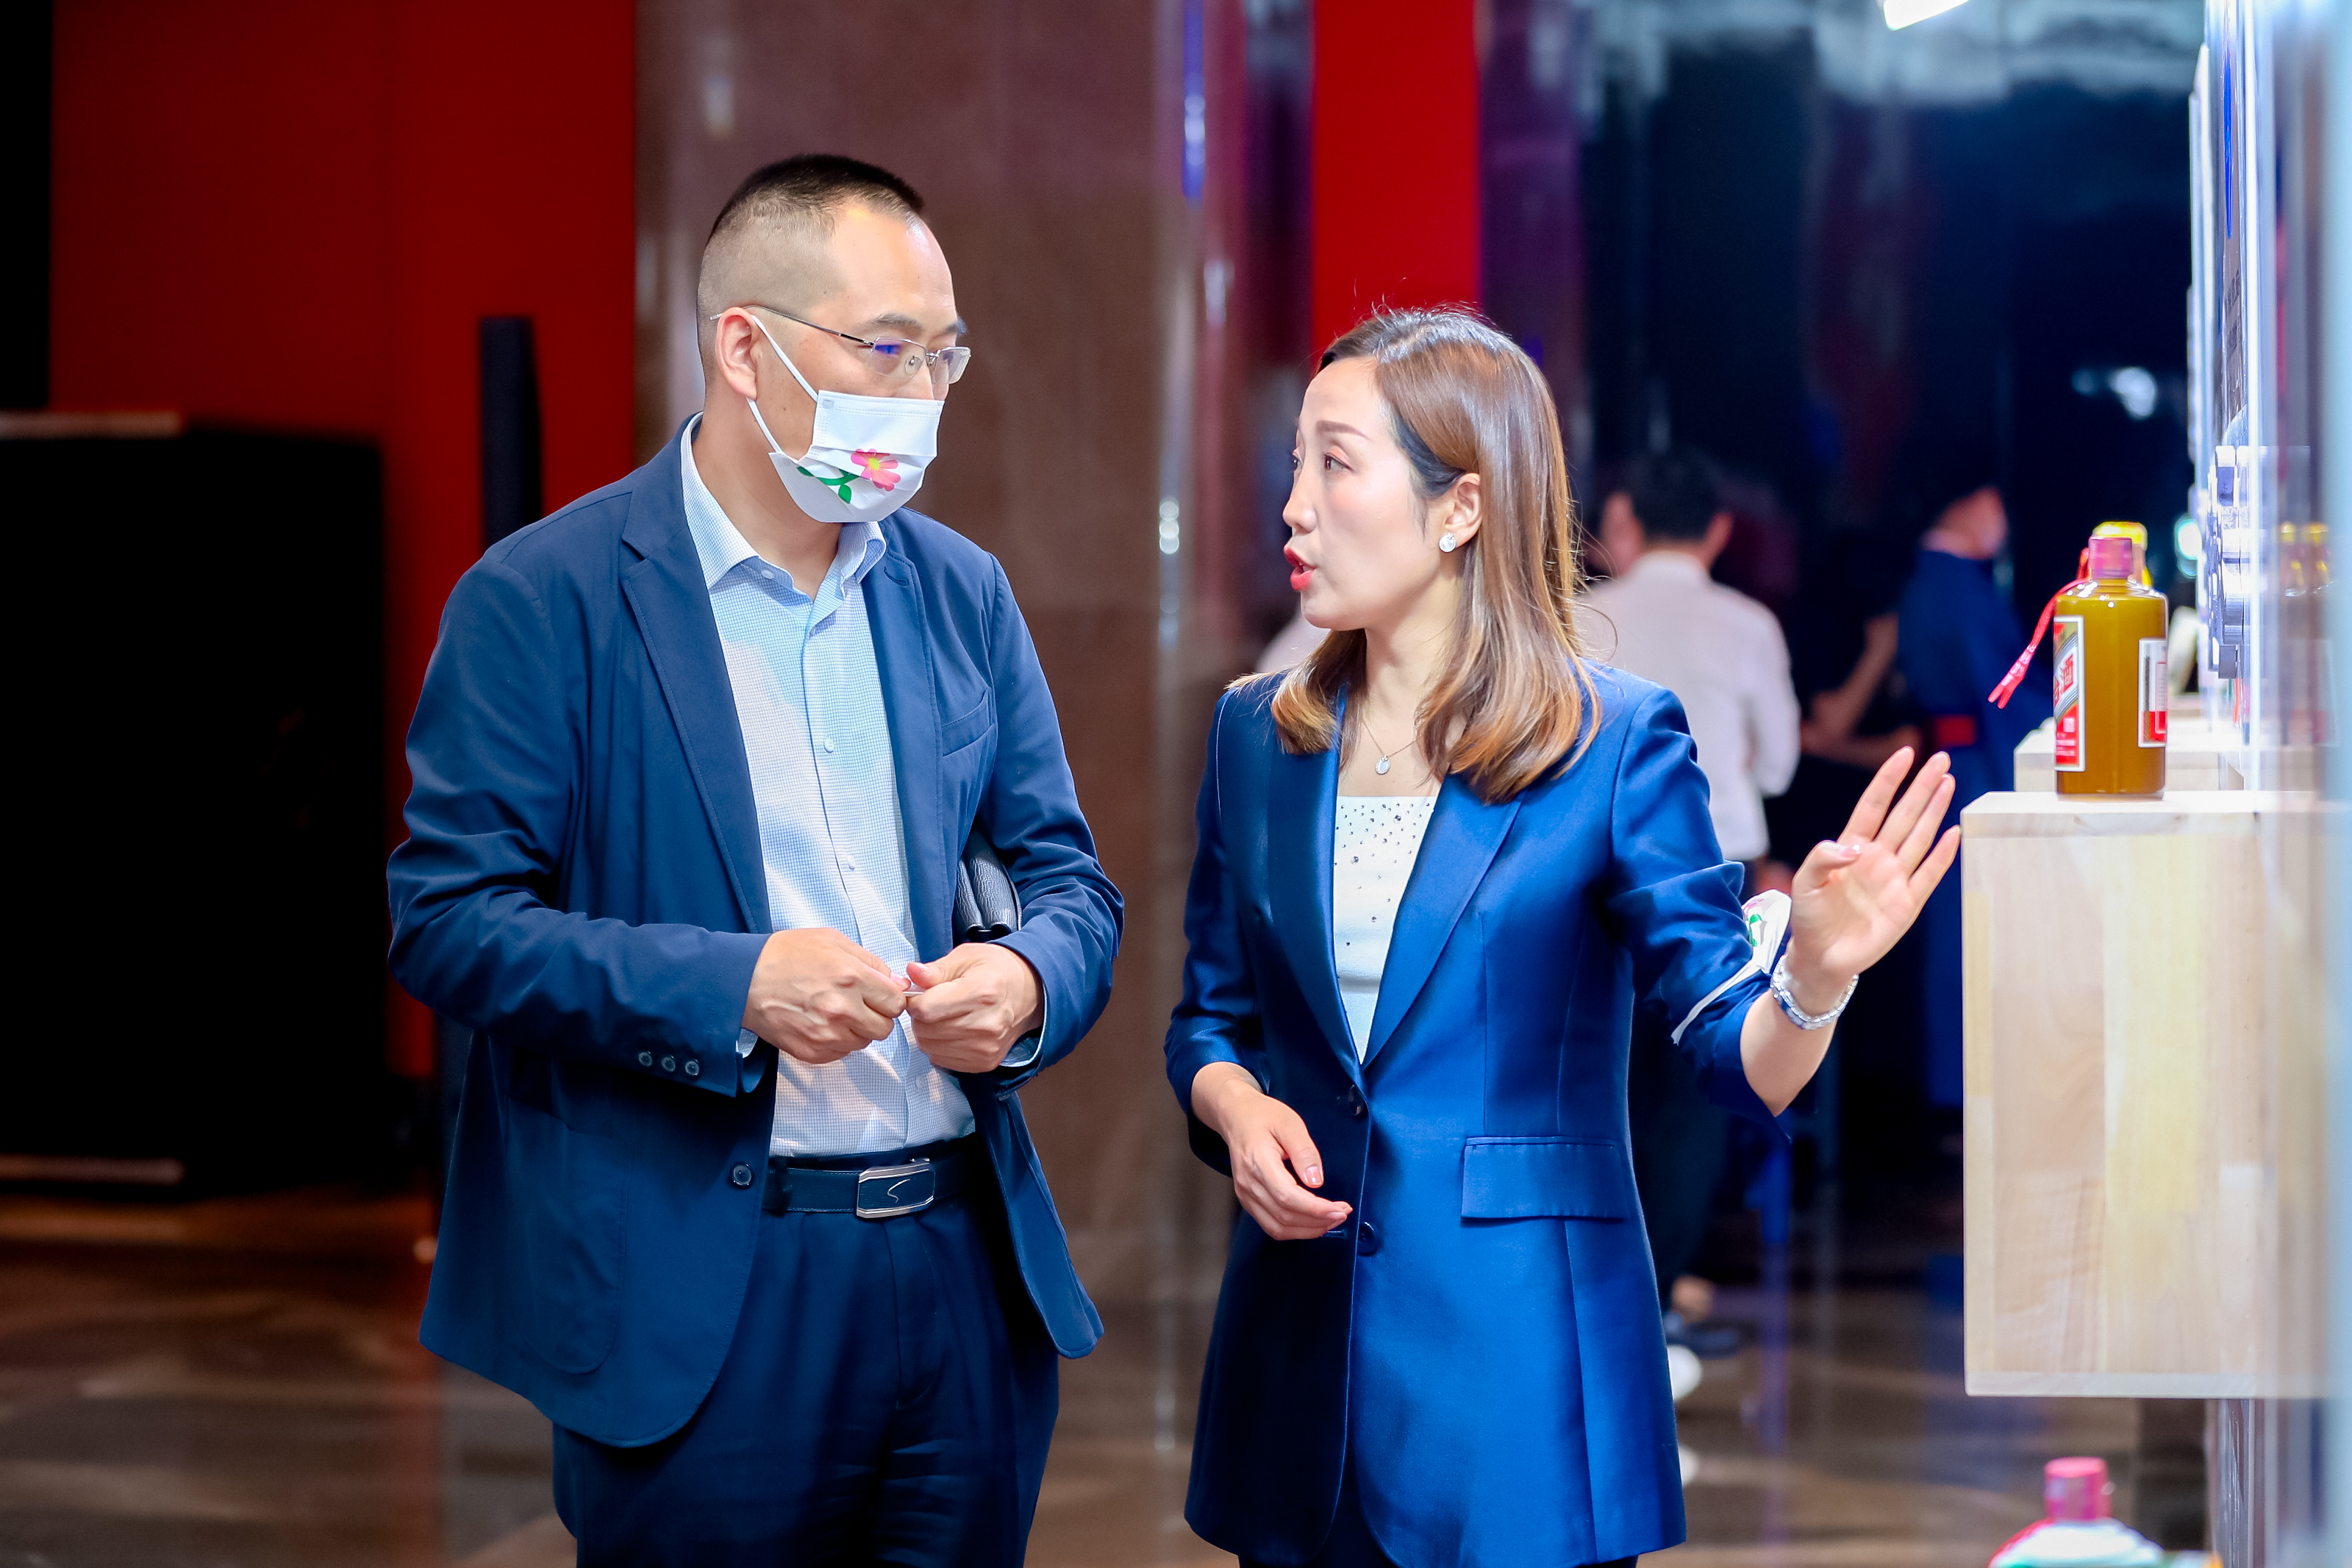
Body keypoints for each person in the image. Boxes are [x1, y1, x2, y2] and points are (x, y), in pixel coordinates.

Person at [387, 154, 1122, 1567]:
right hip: (704, 1287)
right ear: (744, 349)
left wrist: (1029, 980)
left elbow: (1070, 880)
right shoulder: (546, 598)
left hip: (959, 1267)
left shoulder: (958, 592)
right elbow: (447, 919)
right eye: (886, 349)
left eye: (944, 354)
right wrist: (734, 988)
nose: (922, 393)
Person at [1165, 309, 1959, 1568]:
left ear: (1459, 506)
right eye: (1295, 463)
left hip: (1519, 1377)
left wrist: (1811, 971)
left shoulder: (1610, 741)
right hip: (1296, 1368)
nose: (1293, 507)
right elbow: (1210, 1014)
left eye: (1334, 463)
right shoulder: (1257, 737)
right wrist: (1233, 1106)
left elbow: (1727, 1049)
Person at [1575, 448, 1804, 1350]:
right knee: (1691, 1088)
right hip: (1716, 867)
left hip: (1589, 869)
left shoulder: (1581, 615)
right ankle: (1658, 1299)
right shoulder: (1747, 625)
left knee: (1598, 1081)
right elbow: (1778, 765)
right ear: (1717, 530)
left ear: (1627, 519)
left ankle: (1593, 1297)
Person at [1895, 481, 2048, 1113]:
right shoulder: (1954, 583)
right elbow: (2002, 691)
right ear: (1964, 503)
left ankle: (1957, 1089)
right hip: (1973, 768)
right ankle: (1963, 1091)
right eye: (1994, 506)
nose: (2001, 524)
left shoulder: (1936, 577)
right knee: (1967, 926)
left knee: (1957, 924)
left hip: (1957, 764)